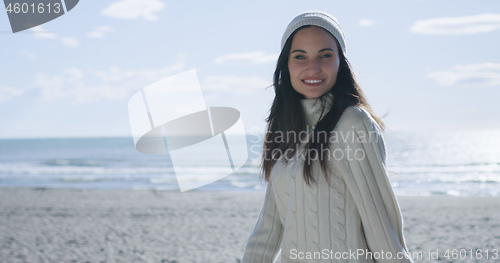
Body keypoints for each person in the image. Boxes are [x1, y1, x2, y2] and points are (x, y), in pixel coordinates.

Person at [241, 11, 414, 263]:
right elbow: (267, 229)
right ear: (286, 65)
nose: (314, 67)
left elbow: (381, 227)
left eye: (325, 55)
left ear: (340, 63)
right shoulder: (285, 130)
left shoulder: (353, 124)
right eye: (300, 56)